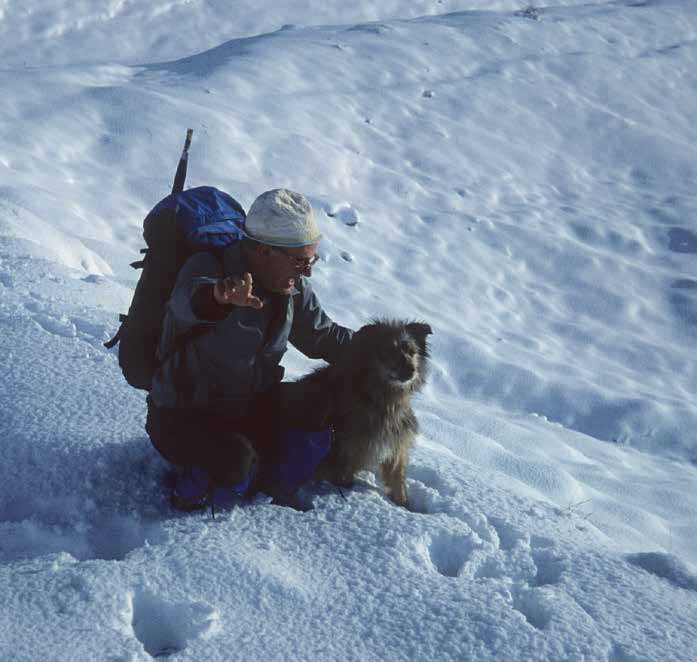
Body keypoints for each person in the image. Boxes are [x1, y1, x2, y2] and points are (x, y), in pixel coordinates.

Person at [145, 188, 353, 509]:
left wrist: (377, 348)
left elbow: (322, 337)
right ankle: (190, 495)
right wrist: (220, 298)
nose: (307, 271)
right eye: (300, 261)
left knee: (321, 412)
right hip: (183, 416)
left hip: (248, 407)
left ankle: (267, 483)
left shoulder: (292, 288)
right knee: (235, 460)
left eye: (310, 259)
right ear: (262, 251)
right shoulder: (211, 268)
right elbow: (187, 302)